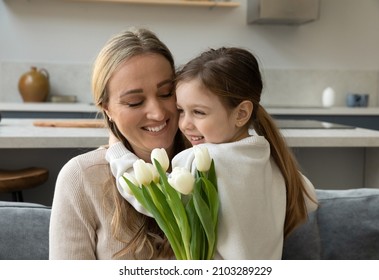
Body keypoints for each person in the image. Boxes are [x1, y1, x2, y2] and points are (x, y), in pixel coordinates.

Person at [109, 47, 318, 259]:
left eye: (199, 112)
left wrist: (117, 151)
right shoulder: (270, 159)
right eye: (181, 111)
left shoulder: (203, 161)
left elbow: (153, 199)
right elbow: (309, 199)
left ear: (242, 113)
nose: (185, 124)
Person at [49, 27, 188, 260]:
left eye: (166, 93)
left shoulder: (209, 165)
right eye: (134, 102)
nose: (156, 113)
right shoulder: (81, 177)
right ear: (107, 109)